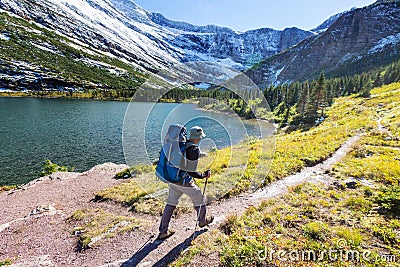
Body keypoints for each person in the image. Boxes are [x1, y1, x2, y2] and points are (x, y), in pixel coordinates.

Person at [157, 126, 214, 240]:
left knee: (170, 204)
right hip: (184, 182)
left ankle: (163, 231)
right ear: (198, 138)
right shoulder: (193, 149)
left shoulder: (179, 146)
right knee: (200, 198)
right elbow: (191, 172)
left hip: (173, 180)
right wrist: (203, 175)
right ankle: (202, 221)